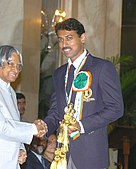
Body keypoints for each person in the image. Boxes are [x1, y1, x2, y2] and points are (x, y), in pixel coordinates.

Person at [43, 18, 124, 169]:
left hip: (91, 155)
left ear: (83, 38)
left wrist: (81, 125)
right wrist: (44, 126)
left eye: (69, 38)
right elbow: (55, 112)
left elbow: (116, 108)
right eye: (60, 40)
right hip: (62, 154)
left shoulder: (102, 68)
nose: (64, 44)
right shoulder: (59, 74)